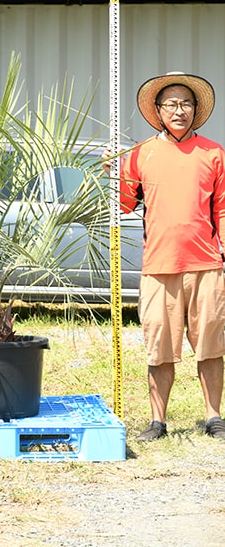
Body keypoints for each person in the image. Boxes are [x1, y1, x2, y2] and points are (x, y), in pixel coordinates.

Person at [103, 71, 225, 441]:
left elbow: (221, 208)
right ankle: (158, 421)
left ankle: (214, 417)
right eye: (171, 103)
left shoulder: (214, 153)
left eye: (186, 103)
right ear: (157, 110)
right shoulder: (141, 154)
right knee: (160, 348)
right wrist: (113, 172)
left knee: (211, 344)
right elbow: (123, 204)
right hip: (158, 267)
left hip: (206, 265)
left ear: (196, 110)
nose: (179, 110)